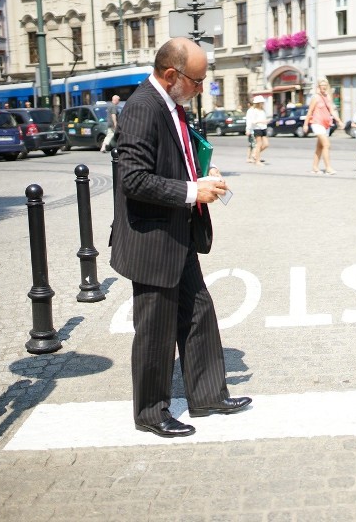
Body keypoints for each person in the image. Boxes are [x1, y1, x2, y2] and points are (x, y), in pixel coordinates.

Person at [111, 37, 251, 438]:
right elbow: (133, 179)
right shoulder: (142, 108)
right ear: (171, 75)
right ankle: (151, 413)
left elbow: (177, 158)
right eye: (196, 80)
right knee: (155, 328)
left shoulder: (172, 104)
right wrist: (192, 192)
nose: (201, 88)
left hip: (178, 231)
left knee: (198, 311)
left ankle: (207, 395)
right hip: (152, 238)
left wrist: (203, 173)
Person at [304, 77, 343, 175]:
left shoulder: (328, 97)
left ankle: (314, 167)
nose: (324, 87)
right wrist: (305, 124)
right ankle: (328, 168)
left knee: (320, 147)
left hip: (326, 125)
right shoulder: (315, 97)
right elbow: (310, 111)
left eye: (326, 85)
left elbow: (332, 110)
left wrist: (339, 121)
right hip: (317, 123)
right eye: (322, 85)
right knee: (326, 145)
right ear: (318, 87)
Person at [244, 95, 269, 165]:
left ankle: (255, 154)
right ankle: (257, 160)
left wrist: (266, 121)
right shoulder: (253, 111)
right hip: (257, 128)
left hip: (263, 128)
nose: (263, 103)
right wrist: (248, 129)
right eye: (261, 102)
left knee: (266, 144)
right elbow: (252, 121)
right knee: (259, 144)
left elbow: (264, 119)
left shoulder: (262, 110)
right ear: (258, 103)